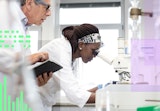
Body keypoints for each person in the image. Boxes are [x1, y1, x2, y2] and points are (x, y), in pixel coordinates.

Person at [38, 23, 103, 111]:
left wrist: (100, 89)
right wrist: (109, 97)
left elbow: (75, 91)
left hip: (42, 103)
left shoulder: (72, 56)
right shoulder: (60, 50)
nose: (94, 55)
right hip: (27, 101)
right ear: (81, 45)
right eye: (93, 50)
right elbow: (74, 94)